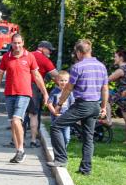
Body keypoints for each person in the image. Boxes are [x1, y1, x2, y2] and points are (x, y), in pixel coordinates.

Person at [47, 39, 109, 176]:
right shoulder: (101, 66)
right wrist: (103, 107)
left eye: (76, 52)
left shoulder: (78, 67)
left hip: (82, 104)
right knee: (88, 138)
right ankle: (85, 169)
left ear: (80, 52)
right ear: (90, 50)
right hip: (95, 105)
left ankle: (61, 159)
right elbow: (105, 89)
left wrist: (59, 104)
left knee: (56, 126)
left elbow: (68, 88)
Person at [0, 32, 49, 164]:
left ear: (23, 43)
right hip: (9, 93)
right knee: (13, 123)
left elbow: (37, 76)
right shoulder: (6, 57)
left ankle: (21, 149)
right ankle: (18, 152)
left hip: (24, 93)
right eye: (14, 43)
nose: (16, 45)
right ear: (11, 43)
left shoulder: (29, 57)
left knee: (17, 120)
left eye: (19, 43)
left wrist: (45, 92)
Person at [27, 41, 57, 148]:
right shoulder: (45, 60)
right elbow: (56, 76)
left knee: (21, 114)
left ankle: (15, 140)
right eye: (49, 50)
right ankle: (33, 140)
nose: (50, 52)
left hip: (22, 87)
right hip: (35, 88)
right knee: (34, 114)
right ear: (43, 48)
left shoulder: (28, 55)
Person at [108, 49, 126, 144]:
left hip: (122, 95)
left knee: (106, 97)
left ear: (121, 58)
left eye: (115, 56)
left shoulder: (121, 70)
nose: (114, 58)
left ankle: (108, 120)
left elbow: (107, 80)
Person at [47, 71, 75, 147]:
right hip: (56, 118)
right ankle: (59, 153)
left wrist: (71, 114)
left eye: (66, 80)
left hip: (66, 117)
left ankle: (63, 150)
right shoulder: (54, 92)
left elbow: (72, 103)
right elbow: (49, 103)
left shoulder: (70, 92)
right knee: (57, 137)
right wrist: (54, 112)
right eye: (61, 80)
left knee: (66, 138)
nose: (63, 82)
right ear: (57, 81)